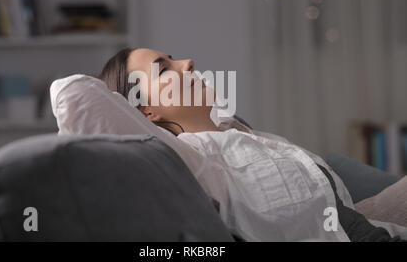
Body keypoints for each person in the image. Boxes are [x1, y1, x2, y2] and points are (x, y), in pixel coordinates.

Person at [99, 47, 407, 242]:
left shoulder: (236, 132)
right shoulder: (192, 160)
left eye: (172, 57)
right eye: (163, 68)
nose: (188, 62)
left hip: (364, 220)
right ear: (147, 110)